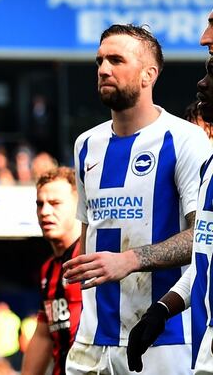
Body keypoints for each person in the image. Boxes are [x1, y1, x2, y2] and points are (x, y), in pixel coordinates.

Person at [58, 24, 212, 374]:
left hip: (164, 340)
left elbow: (201, 237)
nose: (103, 69)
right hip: (92, 341)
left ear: (148, 74)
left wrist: (130, 260)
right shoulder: (86, 145)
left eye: (116, 60)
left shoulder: (185, 140)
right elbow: (88, 235)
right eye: (99, 61)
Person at [127, 57, 213, 373]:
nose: (201, 83)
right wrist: (162, 309)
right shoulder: (209, 171)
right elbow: (205, 261)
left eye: (212, 73)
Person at [21, 167, 82, 375]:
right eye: (40, 204)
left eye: (55, 203)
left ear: (78, 205)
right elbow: (43, 335)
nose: (45, 211)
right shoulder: (48, 269)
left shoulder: (95, 255)